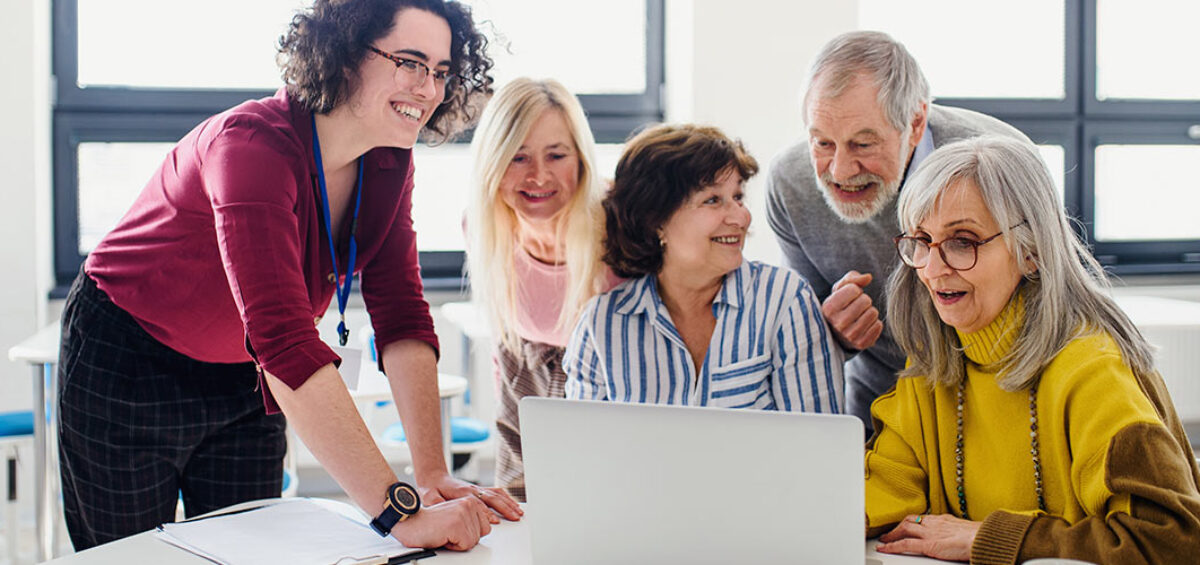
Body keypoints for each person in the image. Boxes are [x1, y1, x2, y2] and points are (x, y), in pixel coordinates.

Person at [57, 0, 520, 551]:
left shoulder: (389, 158)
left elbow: (400, 310)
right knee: (130, 559)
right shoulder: (250, 146)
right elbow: (284, 338)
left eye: (442, 72)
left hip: (246, 376)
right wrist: (401, 515)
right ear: (346, 53)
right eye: (410, 62)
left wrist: (430, 475)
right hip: (129, 359)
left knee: (253, 554)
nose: (429, 89)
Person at [865, 136, 1200, 564]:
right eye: (921, 240)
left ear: (1031, 252)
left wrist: (991, 537)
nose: (931, 270)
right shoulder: (936, 358)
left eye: (962, 242)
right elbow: (891, 485)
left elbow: (1175, 541)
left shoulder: (1094, 370)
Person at [765, 30, 1030, 433]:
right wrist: (832, 333)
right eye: (822, 143)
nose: (839, 171)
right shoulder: (791, 184)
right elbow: (802, 339)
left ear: (916, 122)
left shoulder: (998, 164)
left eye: (863, 145)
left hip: (1000, 399)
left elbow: (1053, 304)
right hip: (881, 407)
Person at [565, 123, 844, 413]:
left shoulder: (784, 301)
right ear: (654, 219)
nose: (741, 217)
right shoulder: (601, 325)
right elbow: (582, 452)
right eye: (713, 200)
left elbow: (817, 447)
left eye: (738, 197)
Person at [465, 77, 618, 501]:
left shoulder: (622, 223)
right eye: (518, 157)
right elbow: (505, 350)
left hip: (614, 405)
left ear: (581, 159)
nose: (538, 176)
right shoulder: (483, 226)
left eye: (557, 155)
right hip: (526, 399)